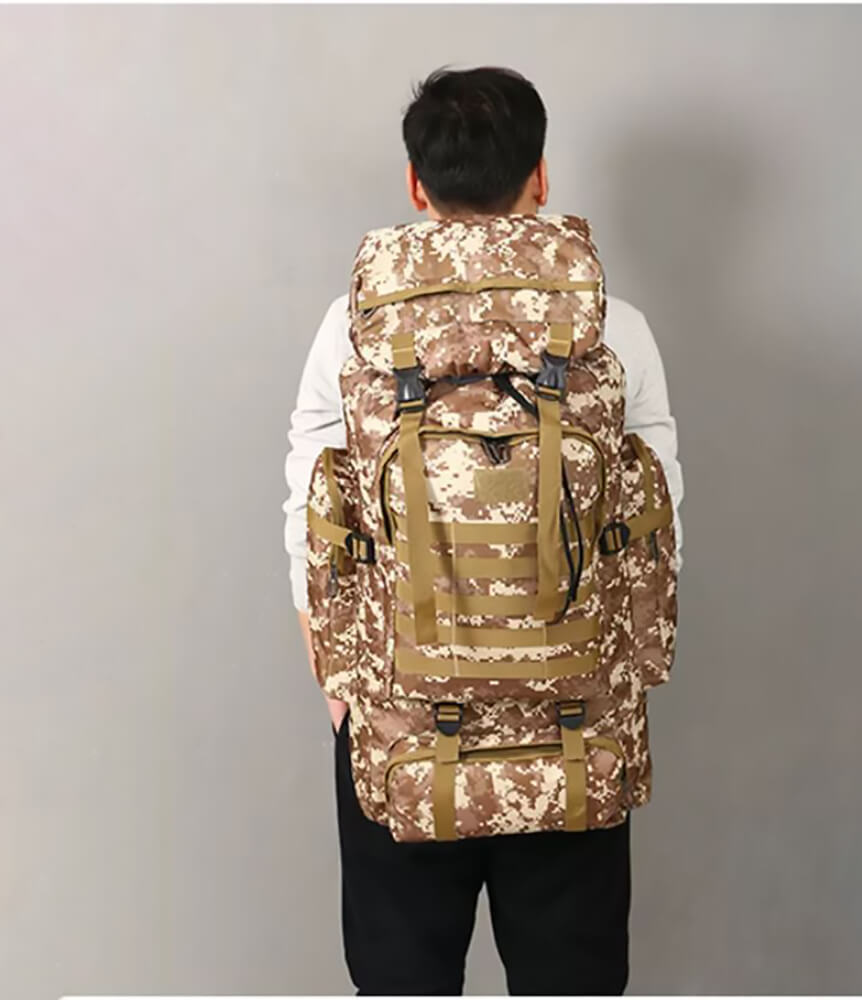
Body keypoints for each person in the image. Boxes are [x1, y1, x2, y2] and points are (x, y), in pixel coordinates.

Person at [282, 66, 684, 996]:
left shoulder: (353, 329)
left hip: (402, 723)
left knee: (403, 980)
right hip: (573, 727)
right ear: (540, 176)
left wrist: (343, 689)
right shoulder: (613, 328)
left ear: (416, 184)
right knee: (569, 982)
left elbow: (310, 509)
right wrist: (624, 685)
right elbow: (657, 529)